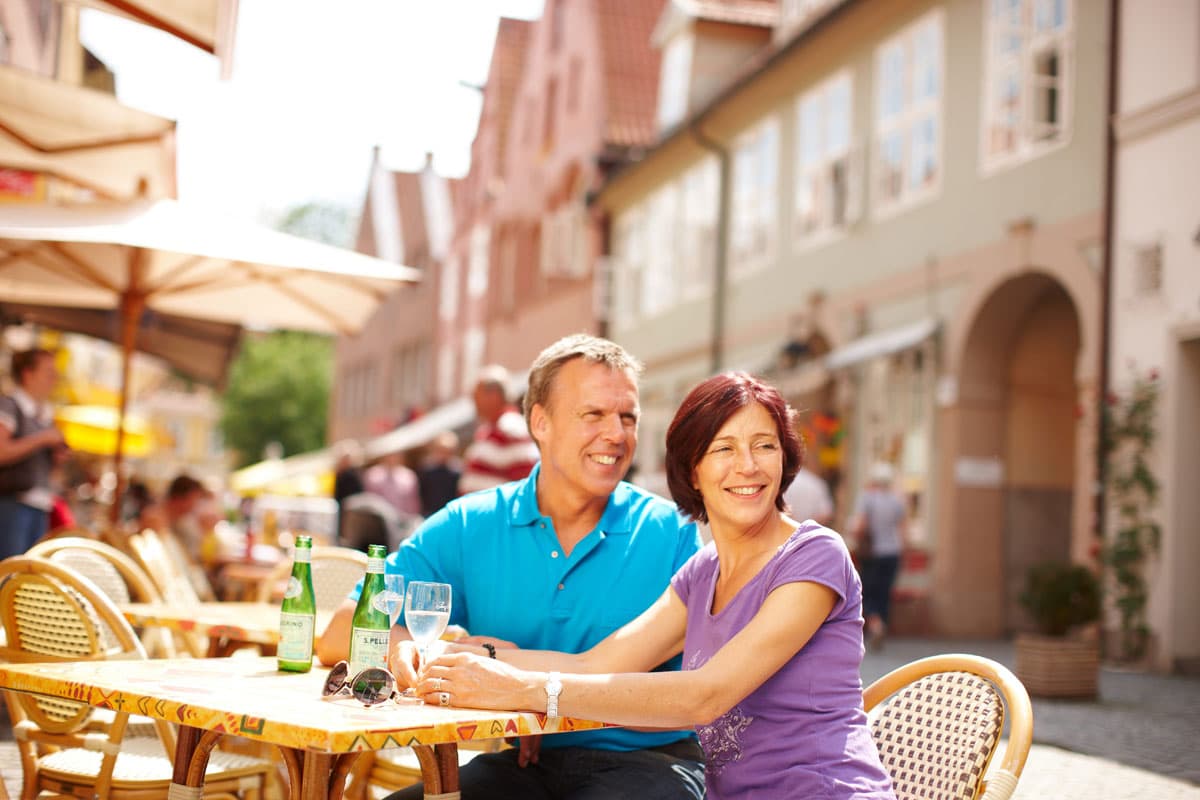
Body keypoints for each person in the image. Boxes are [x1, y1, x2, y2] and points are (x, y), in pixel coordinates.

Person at [414, 373, 896, 800]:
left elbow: (704, 696)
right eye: (724, 448)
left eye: (765, 445)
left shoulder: (814, 555)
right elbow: (598, 665)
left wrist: (524, 688)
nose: (748, 466)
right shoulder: (702, 572)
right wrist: (483, 659)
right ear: (693, 471)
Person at [318, 334, 705, 800]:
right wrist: (450, 644)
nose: (617, 435)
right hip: (527, 765)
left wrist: (501, 671)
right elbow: (341, 630)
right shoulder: (469, 524)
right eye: (594, 415)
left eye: (628, 417)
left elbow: (694, 692)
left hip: (649, 765)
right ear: (539, 422)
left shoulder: (671, 532)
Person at [0, 348, 66, 560]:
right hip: (13, 501)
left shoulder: (45, 414)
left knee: (25, 573)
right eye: (48, 372)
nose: (54, 379)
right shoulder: (10, 405)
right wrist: (43, 439)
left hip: (40, 503)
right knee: (9, 572)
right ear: (28, 374)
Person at [457, 364, 539, 495]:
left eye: (476, 395)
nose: (473, 401)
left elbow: (525, 484)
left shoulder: (512, 429)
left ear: (493, 396)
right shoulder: (488, 430)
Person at [851, 461, 907, 650]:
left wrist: (853, 537)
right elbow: (903, 530)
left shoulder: (867, 498)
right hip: (893, 552)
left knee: (867, 591)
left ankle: (875, 625)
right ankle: (882, 623)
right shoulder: (897, 501)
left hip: (873, 552)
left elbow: (860, 526)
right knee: (884, 591)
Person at [362, 451, 421, 519]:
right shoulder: (372, 475)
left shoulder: (408, 475)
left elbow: (413, 500)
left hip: (404, 519)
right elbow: (372, 500)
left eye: (395, 455)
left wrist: (413, 517)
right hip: (382, 519)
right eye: (390, 456)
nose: (392, 458)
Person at [416, 430, 460, 516]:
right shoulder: (426, 470)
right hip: (430, 513)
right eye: (442, 451)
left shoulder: (457, 471)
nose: (444, 455)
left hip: (450, 512)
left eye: (448, 452)